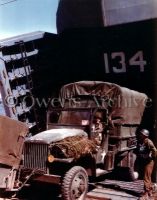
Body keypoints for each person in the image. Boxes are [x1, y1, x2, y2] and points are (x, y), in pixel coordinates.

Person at [136, 129, 157, 198]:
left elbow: (154, 150)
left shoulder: (148, 142)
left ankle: (146, 192)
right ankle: (150, 190)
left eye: (142, 134)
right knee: (147, 176)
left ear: (145, 135)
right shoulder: (141, 141)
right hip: (144, 161)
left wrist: (151, 156)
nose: (140, 135)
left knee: (146, 177)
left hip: (149, 161)